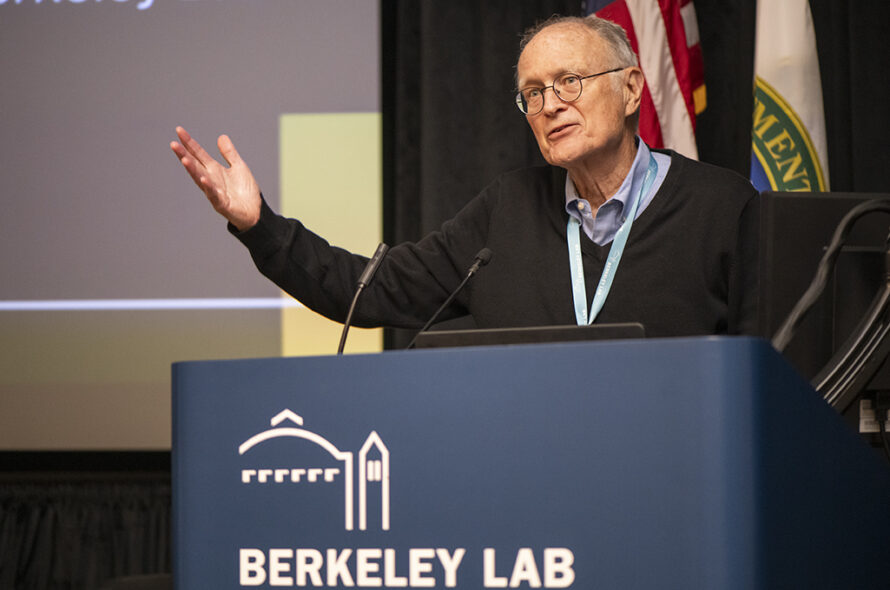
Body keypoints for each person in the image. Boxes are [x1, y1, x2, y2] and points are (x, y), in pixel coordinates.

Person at [171, 15, 758, 337]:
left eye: (569, 81)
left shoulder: (720, 205)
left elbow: (778, 359)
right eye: (532, 93)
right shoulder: (508, 210)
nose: (550, 104)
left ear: (631, 88)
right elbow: (370, 290)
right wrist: (258, 225)